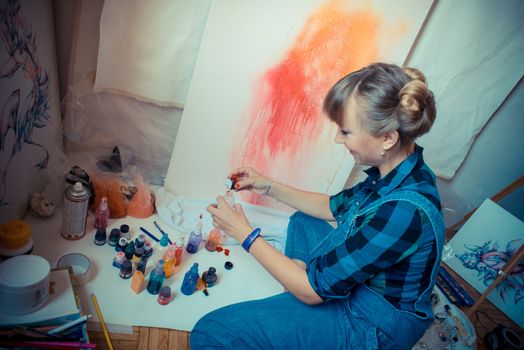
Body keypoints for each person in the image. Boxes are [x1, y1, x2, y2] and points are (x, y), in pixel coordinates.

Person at [190, 63, 444, 349]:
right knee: (302, 220)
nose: (338, 138)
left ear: (387, 138)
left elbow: (313, 292)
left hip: (370, 324)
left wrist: (244, 234)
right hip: (360, 287)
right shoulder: (400, 171)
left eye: (346, 131)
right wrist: (267, 184)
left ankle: (299, 296)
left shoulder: (403, 212)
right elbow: (331, 207)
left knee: (210, 332)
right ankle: (296, 294)